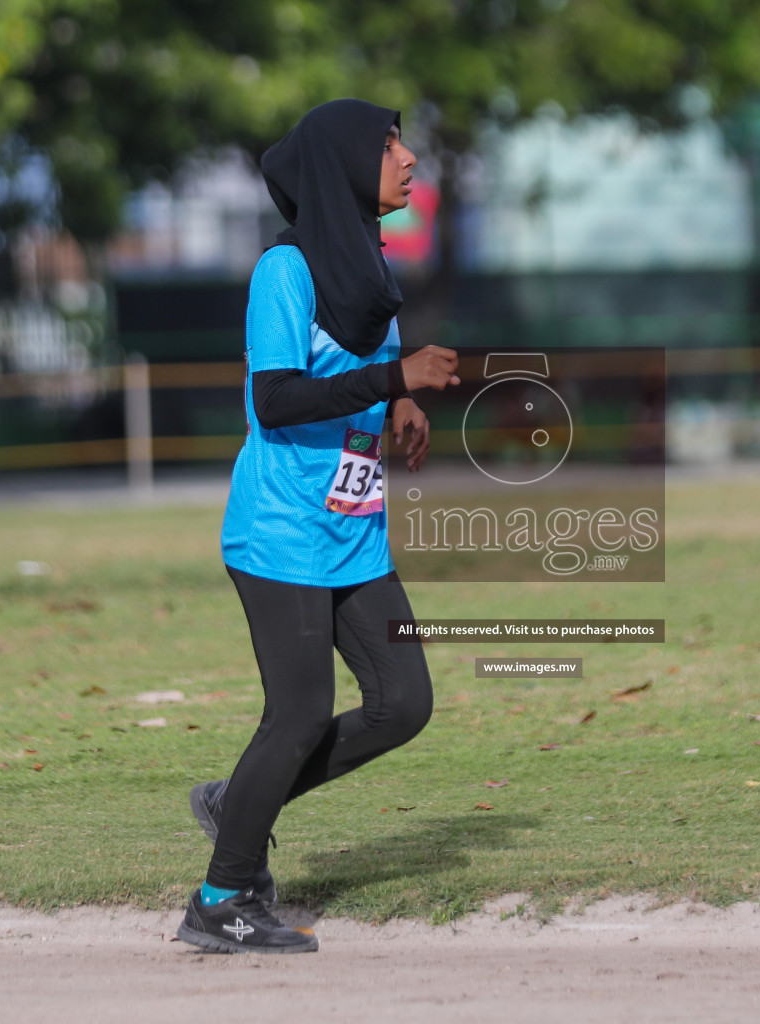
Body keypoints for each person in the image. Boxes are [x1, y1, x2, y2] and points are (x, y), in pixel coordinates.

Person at [175, 99, 461, 954]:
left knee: (403, 702)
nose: (409, 159)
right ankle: (220, 898)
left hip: (354, 531)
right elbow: (279, 398)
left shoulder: (367, 269)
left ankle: (238, 804)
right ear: (342, 167)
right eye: (388, 146)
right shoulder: (285, 272)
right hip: (281, 535)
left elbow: (374, 370)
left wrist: (401, 402)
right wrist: (391, 379)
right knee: (299, 713)